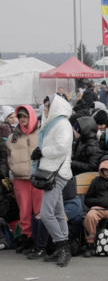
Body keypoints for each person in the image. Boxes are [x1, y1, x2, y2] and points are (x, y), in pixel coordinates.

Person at [31, 94, 74, 267]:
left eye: (48, 105)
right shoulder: (52, 123)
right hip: (51, 171)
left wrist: (43, 151)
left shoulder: (62, 123)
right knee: (57, 213)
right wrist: (41, 151)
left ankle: (62, 247)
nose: (45, 109)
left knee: (46, 214)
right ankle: (63, 246)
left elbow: (62, 147)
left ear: (56, 107)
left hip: (56, 173)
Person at [6, 106, 41, 253]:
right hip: (20, 178)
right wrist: (13, 170)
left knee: (39, 210)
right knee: (24, 211)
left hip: (39, 177)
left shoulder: (42, 134)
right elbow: (8, 156)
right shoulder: (12, 137)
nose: (22, 119)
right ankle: (27, 239)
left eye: (25, 116)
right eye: (20, 116)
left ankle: (40, 240)